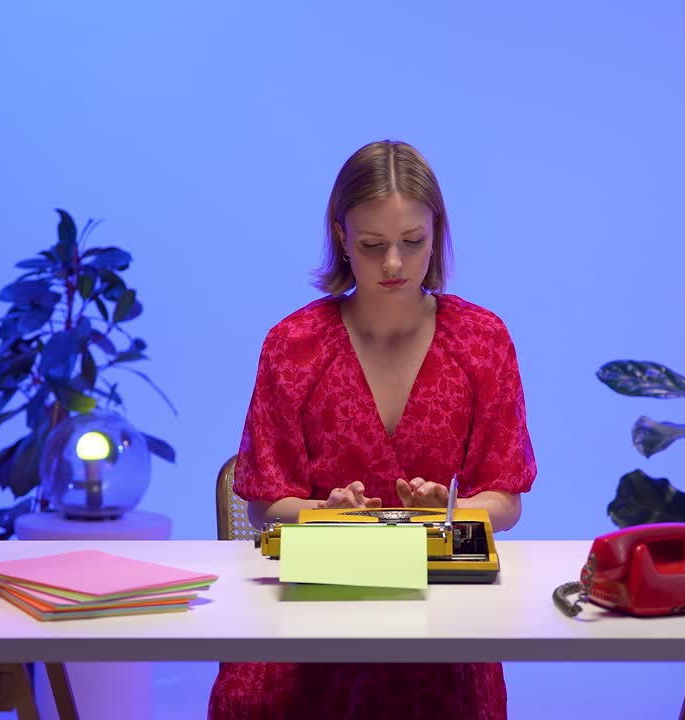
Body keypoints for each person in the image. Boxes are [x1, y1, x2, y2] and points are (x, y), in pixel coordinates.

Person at [208, 139, 536, 720]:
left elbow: (505, 500)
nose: (393, 264)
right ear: (340, 237)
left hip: (441, 625)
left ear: (437, 235)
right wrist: (322, 513)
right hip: (309, 627)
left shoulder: (483, 342)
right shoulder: (293, 346)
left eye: (413, 243)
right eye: (371, 245)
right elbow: (263, 508)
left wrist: (452, 512)